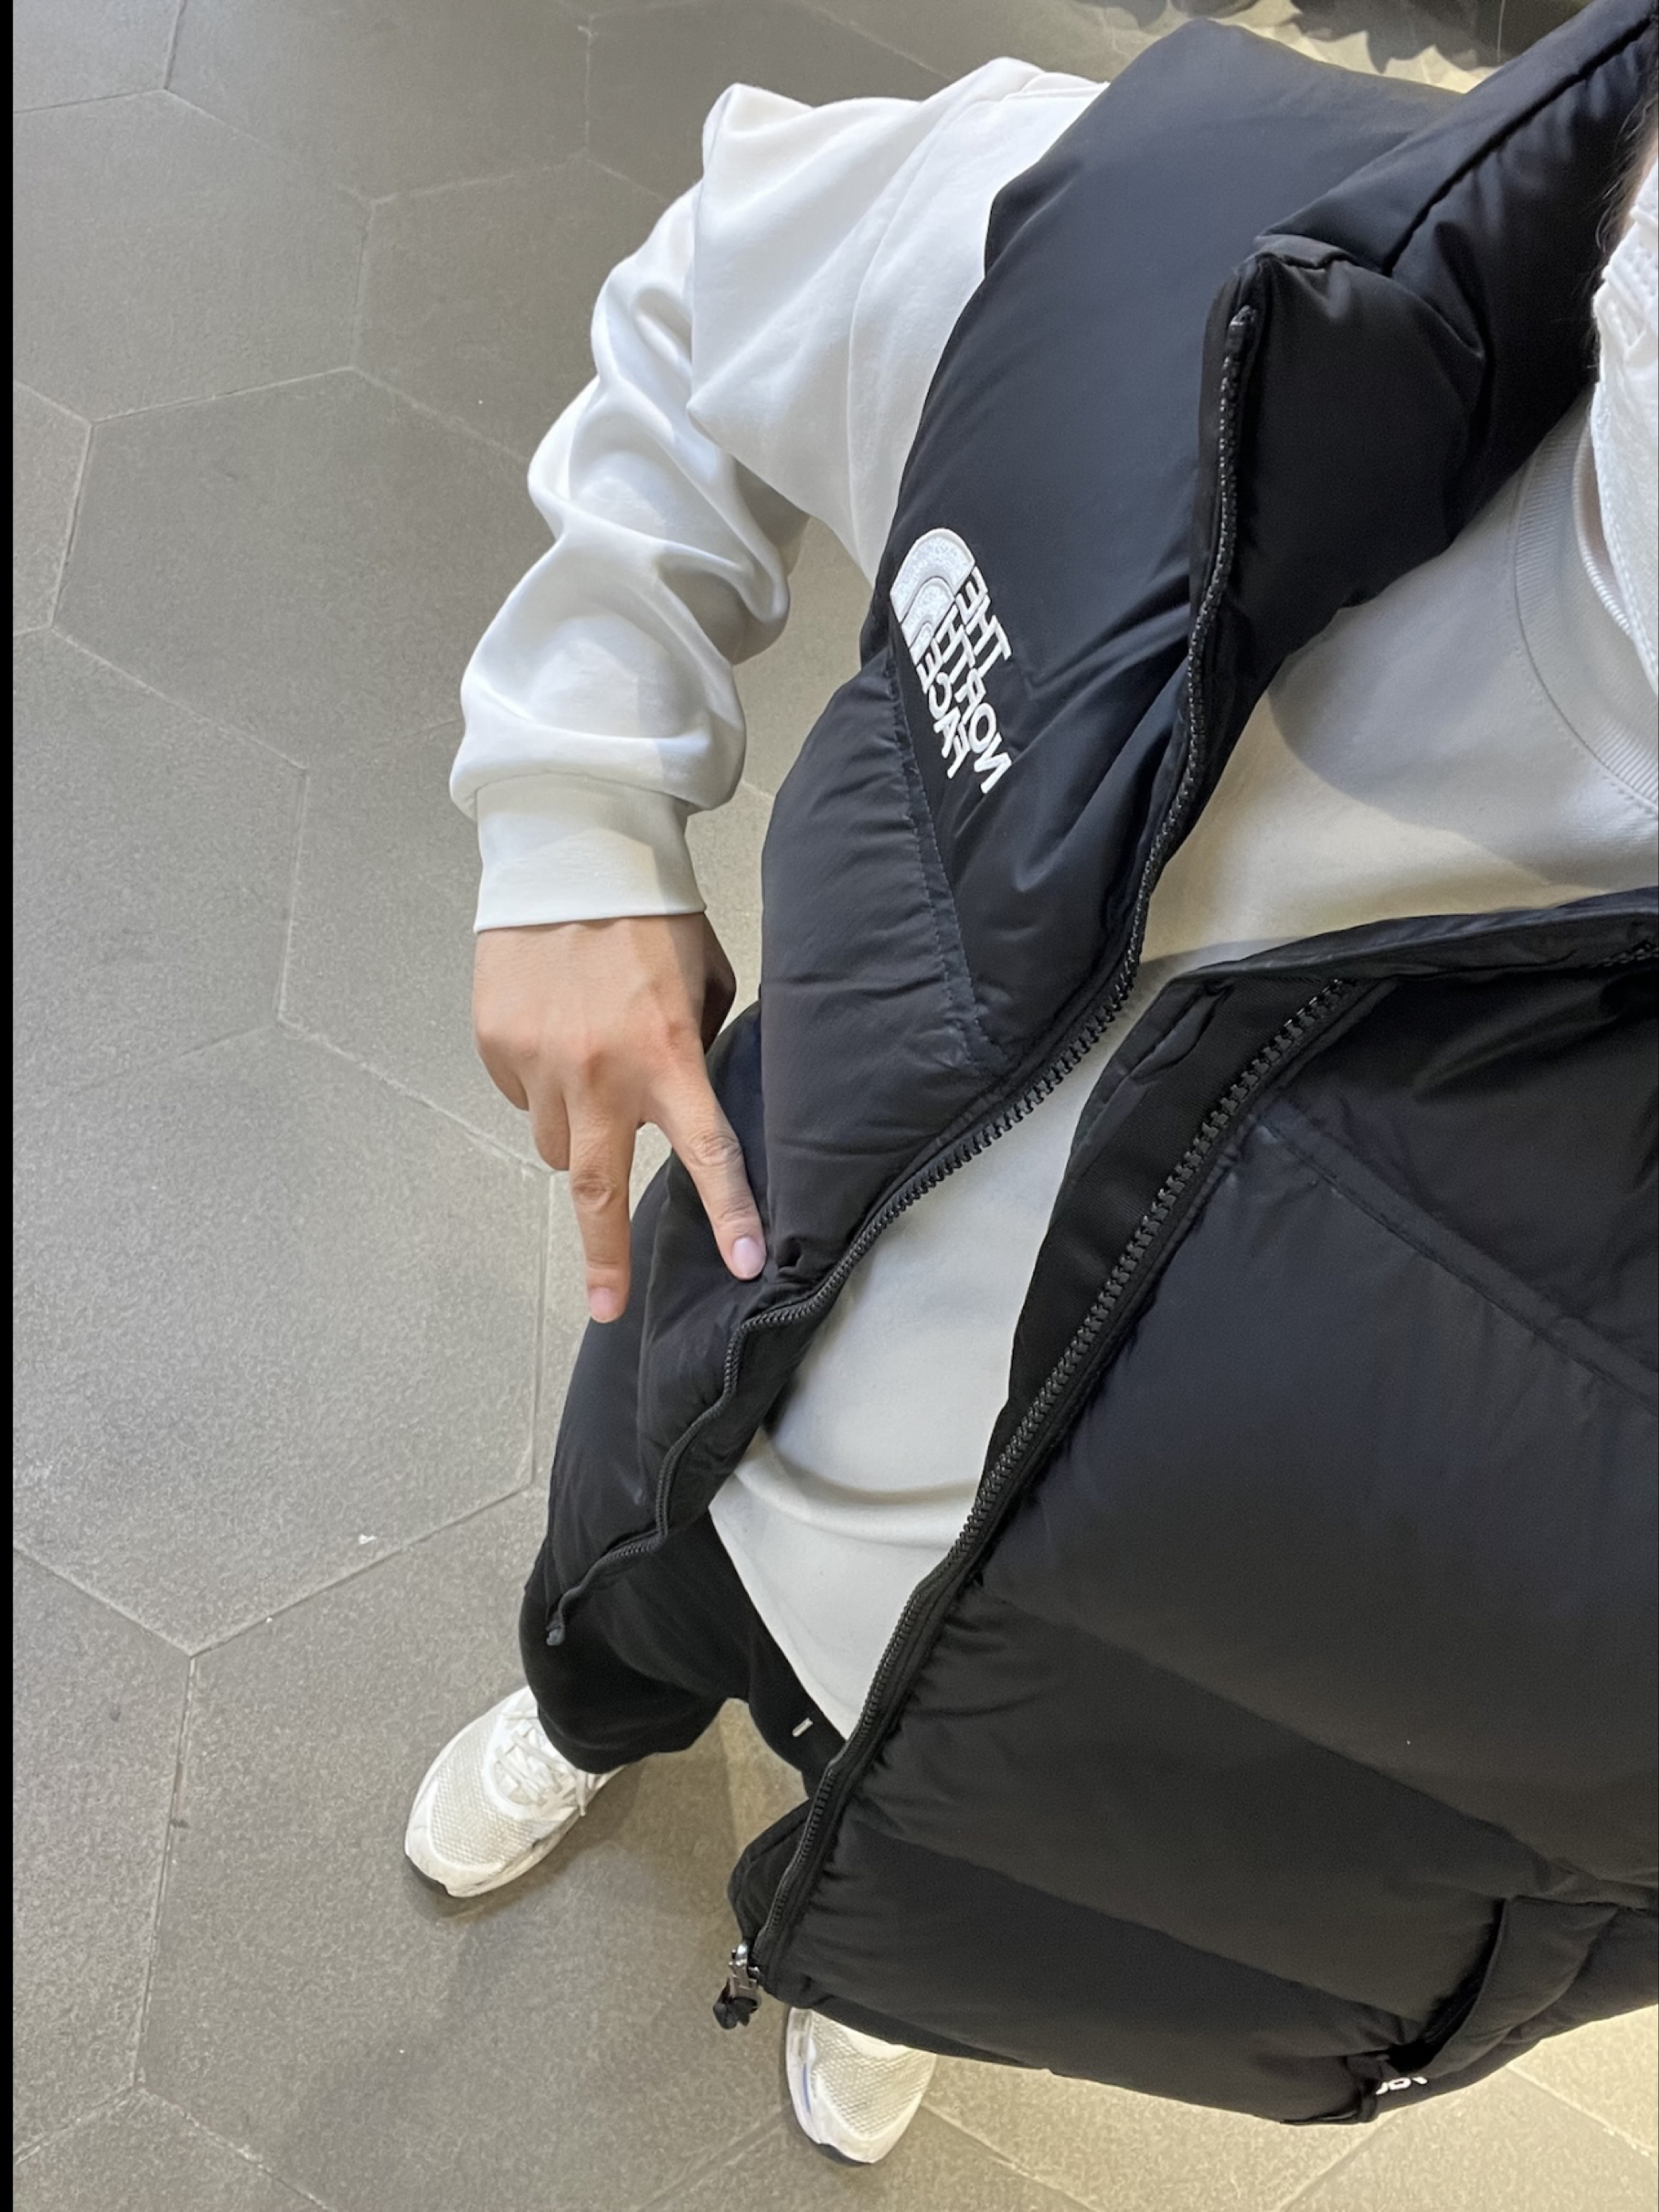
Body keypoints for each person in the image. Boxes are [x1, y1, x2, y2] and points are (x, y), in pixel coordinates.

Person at [406, 0, 1658, 2169]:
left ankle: (862, 1956)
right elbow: (722, 278)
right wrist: (577, 802)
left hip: (1103, 1776)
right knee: (614, 1608)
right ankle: (586, 1718)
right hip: (730, 1350)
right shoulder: (1198, 251)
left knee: (935, 1890)